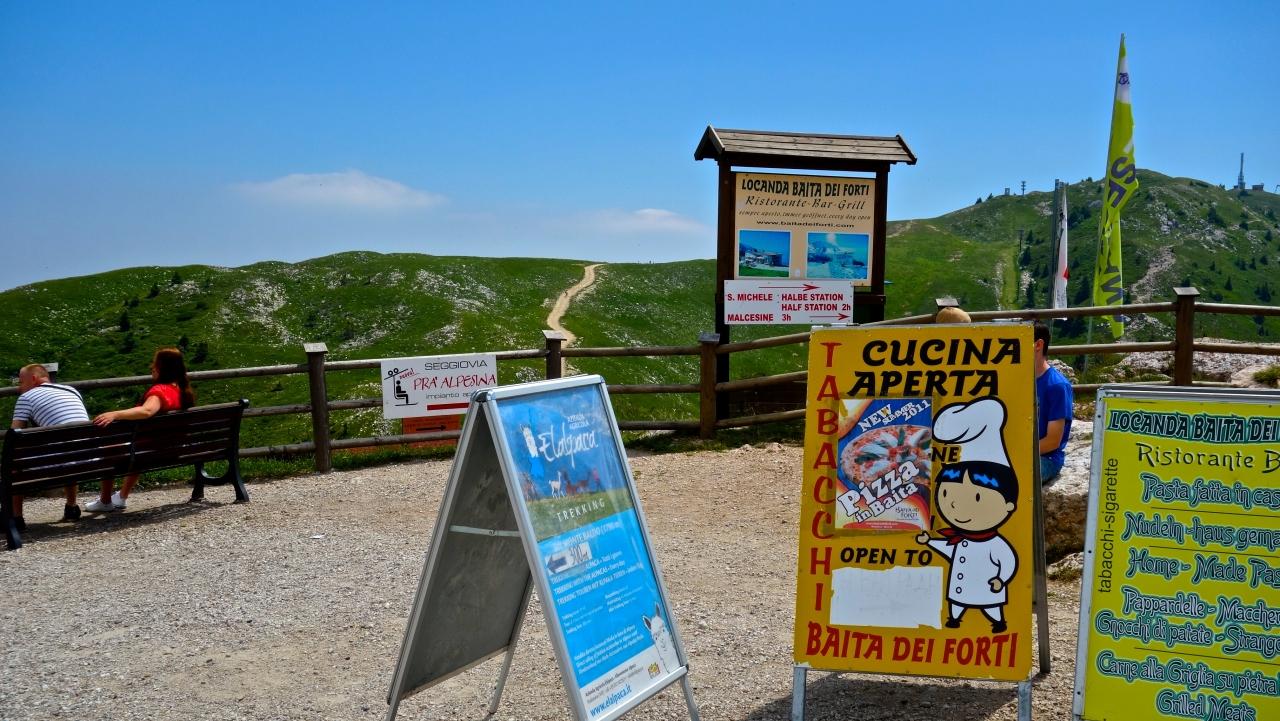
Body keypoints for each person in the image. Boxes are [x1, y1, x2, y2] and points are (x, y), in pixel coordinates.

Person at [86, 348, 195, 512]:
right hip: (171, 449)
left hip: (149, 451)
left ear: (160, 369)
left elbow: (147, 411)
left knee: (110, 449)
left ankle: (105, 501)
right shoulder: (182, 391)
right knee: (139, 446)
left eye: (154, 364)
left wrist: (115, 414)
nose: (152, 368)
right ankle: (121, 497)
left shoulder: (160, 391)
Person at [9, 364, 90, 529]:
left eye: (21, 382)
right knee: (70, 447)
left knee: (14, 461)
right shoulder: (71, 390)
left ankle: (16, 518)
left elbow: (14, 435)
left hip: (60, 462)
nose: (19, 387)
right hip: (89, 457)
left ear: (33, 379)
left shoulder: (26, 397)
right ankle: (72, 507)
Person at [1034, 322, 1072, 484]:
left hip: (1046, 459)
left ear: (1038, 345)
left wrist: (1016, 453)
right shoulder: (1017, 380)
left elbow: (1052, 441)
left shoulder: (1057, 385)